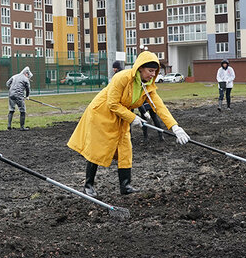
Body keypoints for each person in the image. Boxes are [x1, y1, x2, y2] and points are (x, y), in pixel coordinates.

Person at [67, 51, 190, 197]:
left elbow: (160, 107)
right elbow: (112, 103)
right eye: (150, 71)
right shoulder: (121, 78)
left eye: (155, 72)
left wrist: (175, 127)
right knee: (98, 148)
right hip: (102, 114)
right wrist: (133, 117)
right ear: (140, 68)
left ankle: (125, 186)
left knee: (126, 149)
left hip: (122, 117)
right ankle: (88, 185)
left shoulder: (148, 86)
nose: (153, 74)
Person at [6, 66, 33, 130]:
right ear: (26, 73)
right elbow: (28, 89)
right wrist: (27, 96)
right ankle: (22, 127)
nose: (28, 77)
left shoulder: (14, 76)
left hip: (11, 95)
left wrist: (12, 90)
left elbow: (7, 83)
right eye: (28, 75)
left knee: (11, 110)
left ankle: (9, 126)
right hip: (19, 96)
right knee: (22, 111)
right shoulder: (25, 79)